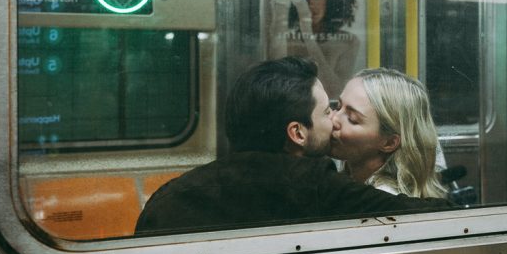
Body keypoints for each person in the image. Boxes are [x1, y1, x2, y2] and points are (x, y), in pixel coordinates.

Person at [135, 57, 450, 235]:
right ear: (297, 133)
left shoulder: (172, 195)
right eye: (330, 110)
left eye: (348, 115)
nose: (335, 121)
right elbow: (434, 215)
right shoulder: (315, 187)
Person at [331, 68, 447, 199]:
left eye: (352, 119)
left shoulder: (382, 199)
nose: (333, 119)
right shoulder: (354, 183)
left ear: (389, 143)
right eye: (337, 107)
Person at [266, 0, 359, 98]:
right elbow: (275, 83)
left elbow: (335, 93)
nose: (310, 4)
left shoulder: (348, 42)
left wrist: (308, 35)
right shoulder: (287, 39)